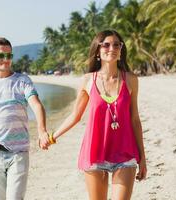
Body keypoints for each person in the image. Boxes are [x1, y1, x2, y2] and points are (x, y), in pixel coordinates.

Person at [47, 30, 147, 200]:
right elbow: (75, 116)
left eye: (117, 44)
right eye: (106, 44)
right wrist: (51, 137)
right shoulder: (88, 80)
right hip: (95, 153)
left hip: (125, 153)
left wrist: (142, 158)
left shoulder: (130, 80)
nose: (112, 48)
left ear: (121, 50)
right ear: (98, 50)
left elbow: (135, 120)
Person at [0, 37, 50, 200]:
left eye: (9, 55)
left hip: (18, 152)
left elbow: (36, 105)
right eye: (1, 56)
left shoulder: (22, 81)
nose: (6, 59)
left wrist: (42, 131)